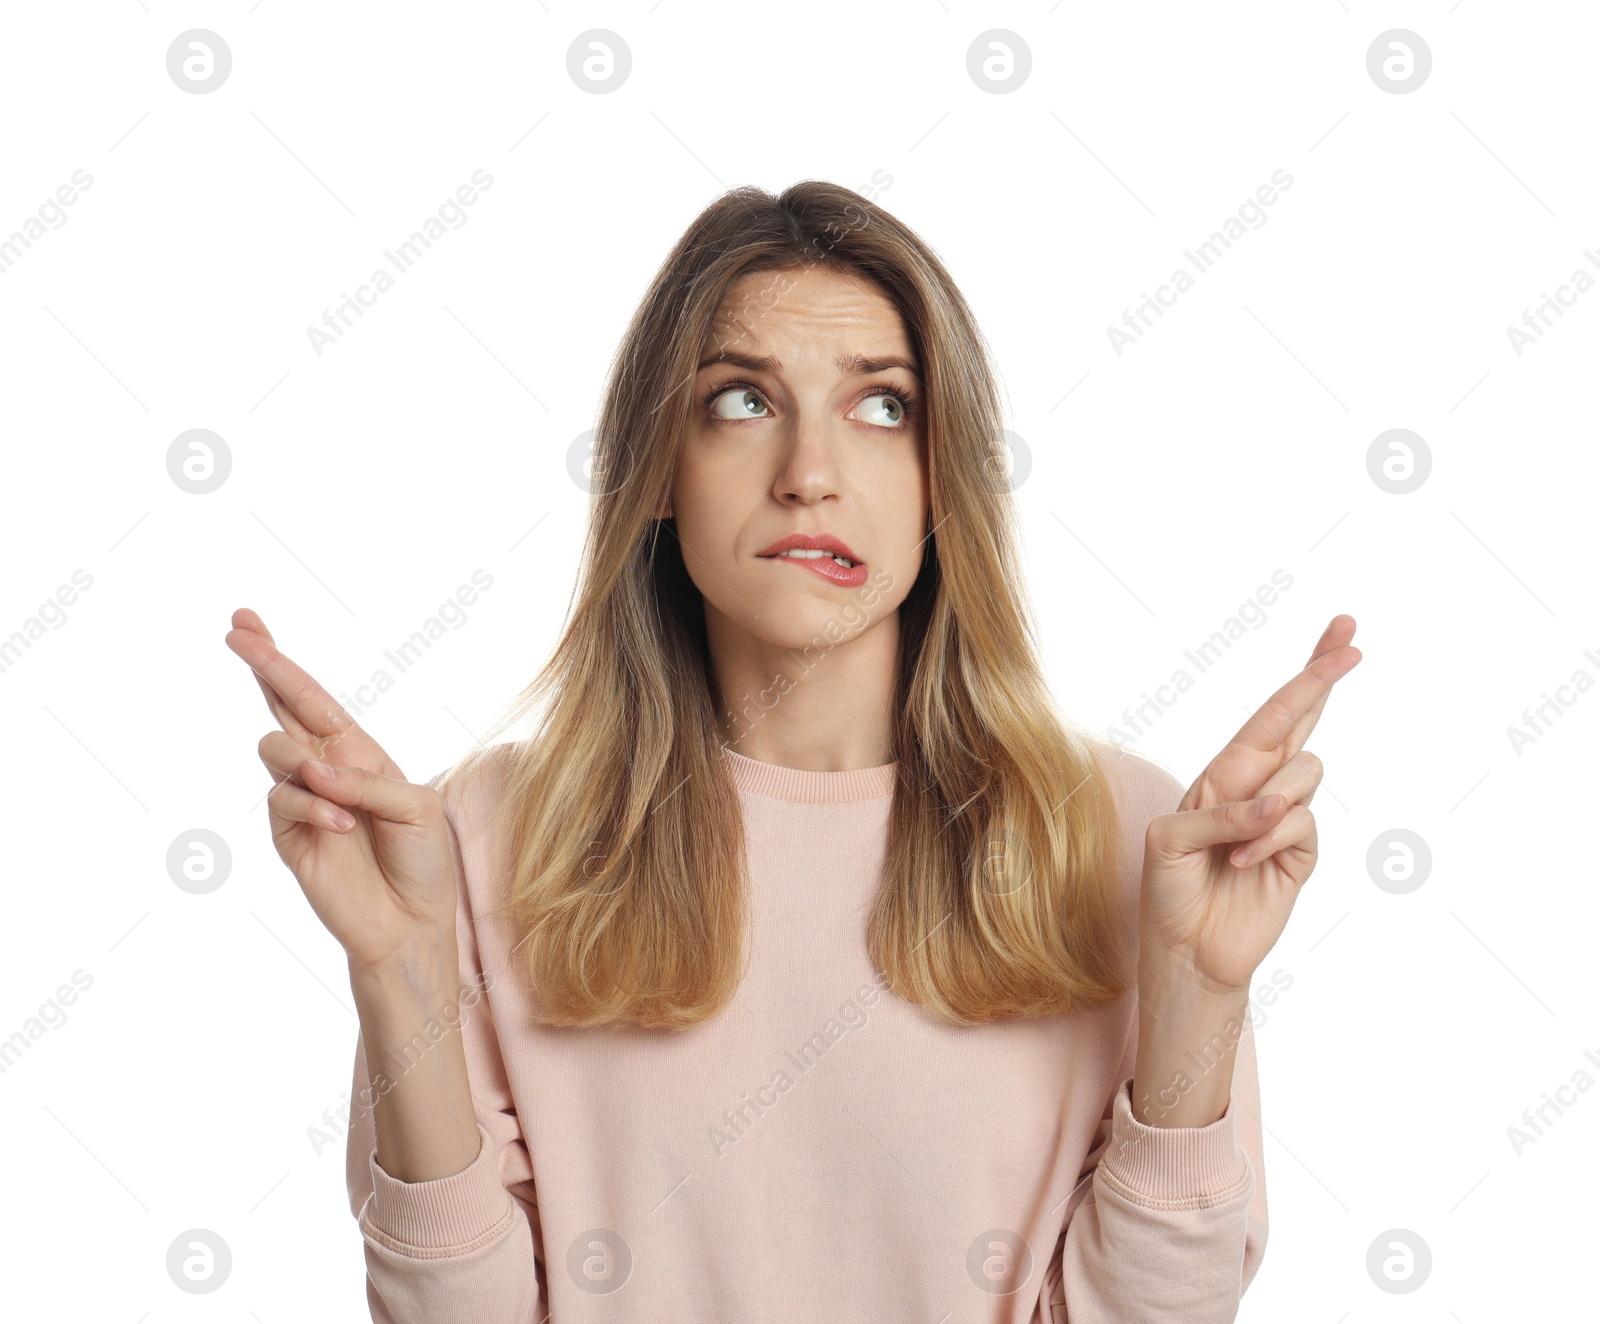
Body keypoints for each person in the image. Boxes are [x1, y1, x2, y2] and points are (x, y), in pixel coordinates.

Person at [226, 179, 1360, 1322]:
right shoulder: (491, 831)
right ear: (658, 469)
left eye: (881, 408)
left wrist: (1200, 996)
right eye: (740, 401)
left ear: (941, 479)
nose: (809, 472)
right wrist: (398, 972)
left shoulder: (1120, 832)